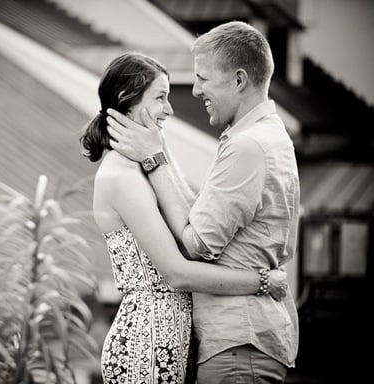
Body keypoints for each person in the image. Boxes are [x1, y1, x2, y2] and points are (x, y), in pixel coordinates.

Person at [105, 22, 299, 384]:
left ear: (239, 80)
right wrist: (157, 153)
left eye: (203, 79)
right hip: (241, 341)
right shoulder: (264, 137)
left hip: (239, 345)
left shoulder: (248, 147)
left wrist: (156, 159)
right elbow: (204, 219)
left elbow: (197, 245)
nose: (195, 91)